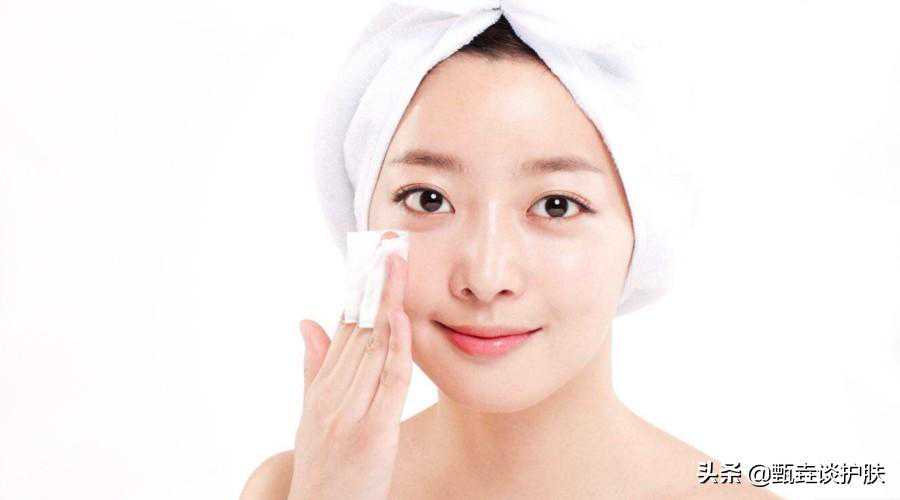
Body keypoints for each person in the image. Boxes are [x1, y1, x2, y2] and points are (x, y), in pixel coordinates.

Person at [241, 15, 780, 500]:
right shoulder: (291, 489)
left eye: (556, 205)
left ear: (644, 230)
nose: (485, 276)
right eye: (429, 199)